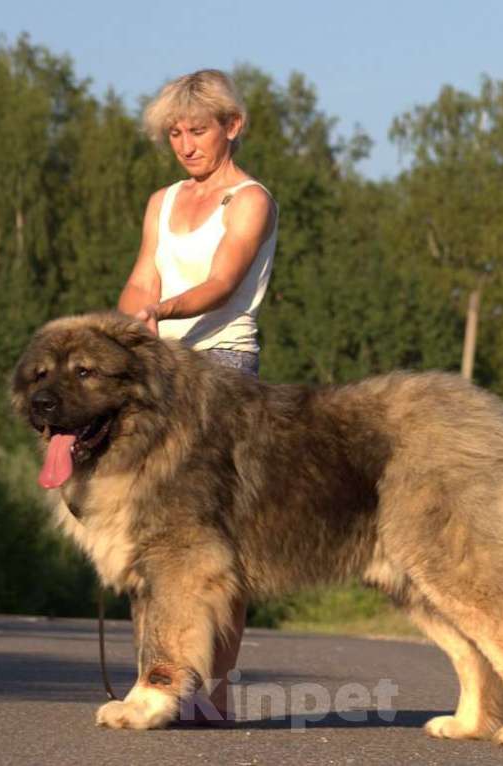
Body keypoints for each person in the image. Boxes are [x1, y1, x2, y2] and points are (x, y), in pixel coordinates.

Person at [117, 69, 278, 721]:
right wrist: (129, 323)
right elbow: (138, 279)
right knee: (150, 536)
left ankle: (211, 689)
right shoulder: (161, 200)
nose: (185, 144)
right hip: (157, 372)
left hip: (223, 369)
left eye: (197, 130)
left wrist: (159, 311)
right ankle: (158, 680)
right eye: (175, 133)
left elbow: (222, 279)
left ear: (231, 126)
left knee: (215, 539)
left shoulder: (248, 198)